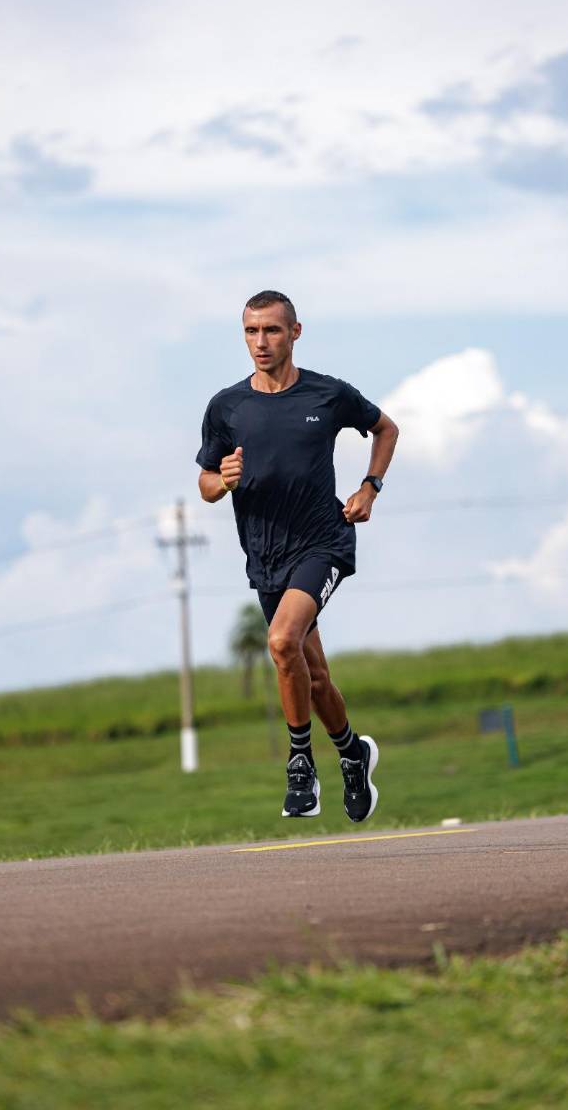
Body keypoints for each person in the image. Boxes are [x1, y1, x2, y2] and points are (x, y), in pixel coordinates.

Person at [197, 291, 399, 822]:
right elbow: (204, 482)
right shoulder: (226, 407)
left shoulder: (327, 395)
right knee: (312, 676)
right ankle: (353, 753)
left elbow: (386, 428)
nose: (260, 342)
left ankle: (300, 764)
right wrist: (223, 480)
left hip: (323, 541)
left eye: (271, 331)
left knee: (282, 640)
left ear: (295, 332)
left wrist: (370, 487)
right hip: (265, 556)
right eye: (250, 332)